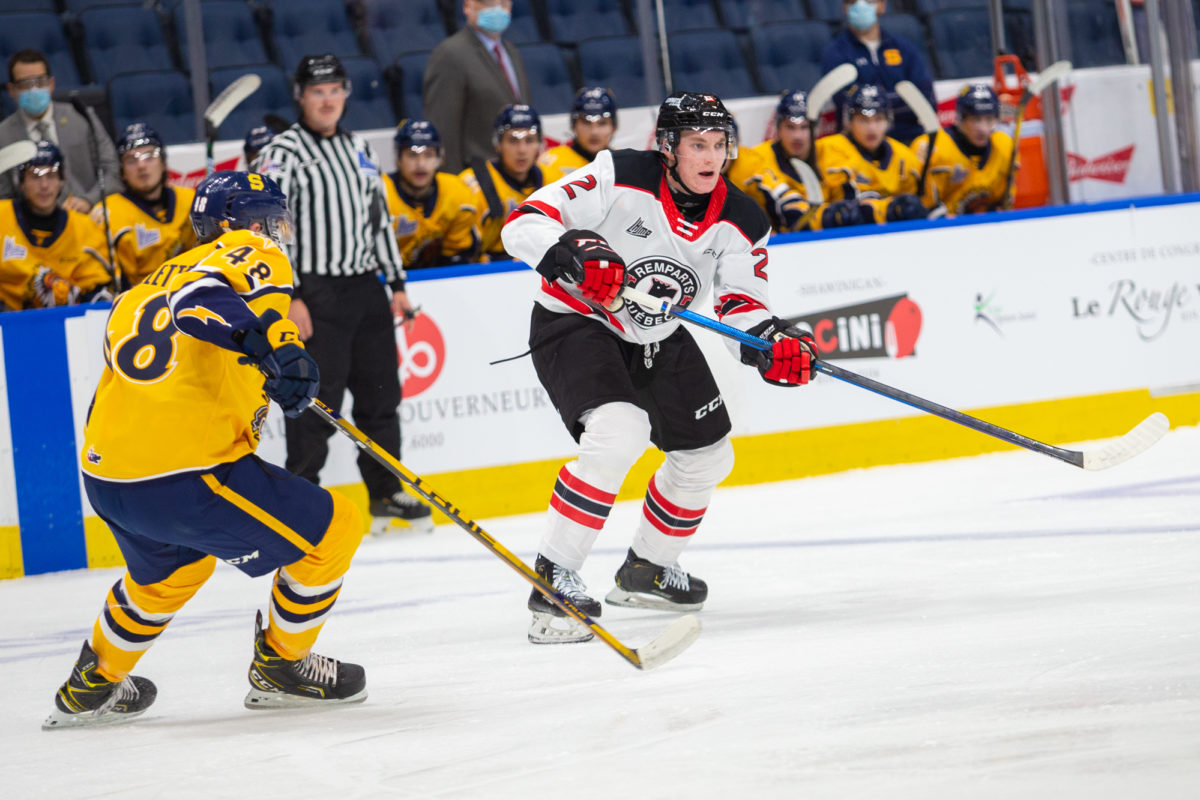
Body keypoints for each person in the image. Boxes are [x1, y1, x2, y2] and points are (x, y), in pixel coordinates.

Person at [42, 171, 369, 729]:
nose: (275, 233)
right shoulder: (245, 254)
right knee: (334, 532)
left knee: (170, 574)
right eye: (267, 220)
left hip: (109, 477)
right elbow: (203, 300)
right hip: (186, 475)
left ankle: (92, 683)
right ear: (228, 224)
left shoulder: (144, 285)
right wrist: (276, 346)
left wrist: (261, 365)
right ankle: (282, 666)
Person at [501, 92, 818, 644]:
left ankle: (646, 568)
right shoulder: (619, 173)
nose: (711, 158)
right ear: (668, 148)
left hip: (656, 335)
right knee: (619, 430)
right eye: (698, 144)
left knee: (708, 453)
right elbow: (523, 222)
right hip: (576, 321)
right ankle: (552, 580)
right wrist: (573, 254)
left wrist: (775, 342)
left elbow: (744, 303)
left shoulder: (743, 218)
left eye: (720, 145)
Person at [256, 54, 432, 533]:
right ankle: (301, 494)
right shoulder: (283, 153)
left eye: (335, 89)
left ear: (347, 93)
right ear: (300, 97)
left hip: (364, 289)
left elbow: (377, 222)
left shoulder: (360, 148)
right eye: (318, 91)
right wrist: (288, 293)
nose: (328, 99)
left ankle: (385, 491)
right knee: (316, 399)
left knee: (381, 396)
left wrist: (395, 284)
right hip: (314, 291)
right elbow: (271, 228)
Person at [0, 49, 120, 211]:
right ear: (12, 90)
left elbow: (112, 169)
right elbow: (4, 196)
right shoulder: (3, 135)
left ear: (51, 84)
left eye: (40, 81)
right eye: (25, 84)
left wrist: (88, 200)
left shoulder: (81, 117)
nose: (33, 90)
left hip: (88, 216)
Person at [0, 141, 112, 311]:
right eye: (35, 176)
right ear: (21, 183)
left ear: (62, 181)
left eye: (51, 175)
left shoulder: (83, 227)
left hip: (67, 323)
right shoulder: (2, 217)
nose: (44, 185)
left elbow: (96, 291)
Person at [423, 0, 531, 173]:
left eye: (503, 3)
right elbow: (443, 129)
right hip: (475, 176)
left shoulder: (511, 52)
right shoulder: (450, 54)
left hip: (513, 177)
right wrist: (454, 184)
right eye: (487, 3)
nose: (497, 9)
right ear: (467, 6)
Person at [820, 0, 935, 146]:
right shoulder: (835, 52)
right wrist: (903, 101)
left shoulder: (904, 47)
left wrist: (873, 103)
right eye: (853, 2)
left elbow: (926, 99)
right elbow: (847, 104)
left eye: (869, 1)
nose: (861, 6)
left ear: (882, 5)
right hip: (858, 145)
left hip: (909, 138)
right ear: (844, 7)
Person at [97, 123, 196, 290]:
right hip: (139, 304)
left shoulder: (191, 200)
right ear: (122, 172)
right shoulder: (107, 213)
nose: (141, 166)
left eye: (149, 156)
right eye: (131, 160)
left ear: (163, 162)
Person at [814, 83, 927, 228]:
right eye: (863, 120)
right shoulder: (829, 148)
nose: (871, 128)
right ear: (849, 122)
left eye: (878, 119)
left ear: (888, 121)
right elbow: (847, 205)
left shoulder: (905, 157)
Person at [382, 119, 480, 268]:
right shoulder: (380, 194)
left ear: (439, 159)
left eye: (428, 155)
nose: (420, 164)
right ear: (398, 159)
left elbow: (457, 255)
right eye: (412, 155)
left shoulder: (457, 193)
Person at [725, 90, 820, 233]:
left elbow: (781, 195)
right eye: (702, 146)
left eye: (723, 144)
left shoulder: (750, 163)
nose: (717, 155)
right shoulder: (759, 156)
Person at [915, 83, 1014, 215]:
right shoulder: (932, 148)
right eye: (976, 120)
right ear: (960, 118)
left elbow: (1004, 202)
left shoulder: (1004, 145)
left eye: (989, 119)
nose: (983, 129)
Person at [460, 104, 544, 261]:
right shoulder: (473, 183)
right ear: (498, 144)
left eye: (529, 140)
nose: (522, 150)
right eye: (513, 140)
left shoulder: (553, 179)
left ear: (540, 144)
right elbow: (465, 255)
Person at [538, 87, 618, 181]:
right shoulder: (550, 163)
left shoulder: (624, 161)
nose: (594, 132)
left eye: (602, 123)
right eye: (586, 123)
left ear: (614, 127)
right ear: (573, 126)